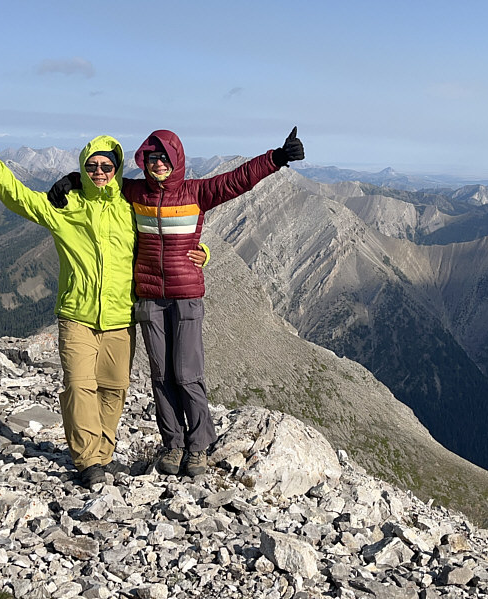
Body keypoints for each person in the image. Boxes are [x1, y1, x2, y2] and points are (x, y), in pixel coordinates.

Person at [49, 127, 304, 477]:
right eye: (152, 158)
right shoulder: (135, 191)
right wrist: (73, 179)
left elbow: (237, 180)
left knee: (187, 374)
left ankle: (198, 447)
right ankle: (173, 445)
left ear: (177, 160)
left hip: (185, 297)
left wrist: (276, 157)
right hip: (150, 298)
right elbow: (102, 180)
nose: (158, 164)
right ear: (144, 162)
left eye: (165, 158)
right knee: (161, 376)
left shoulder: (196, 192)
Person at [0, 131, 208, 488]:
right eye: (92, 166)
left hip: (120, 319)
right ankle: (87, 462)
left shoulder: (129, 205)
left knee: (113, 391)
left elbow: (166, 237)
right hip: (77, 316)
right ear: (83, 168)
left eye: (106, 166)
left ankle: (105, 456)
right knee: (79, 388)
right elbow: (18, 197)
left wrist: (202, 252)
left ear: (117, 169)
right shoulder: (67, 206)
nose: (100, 172)